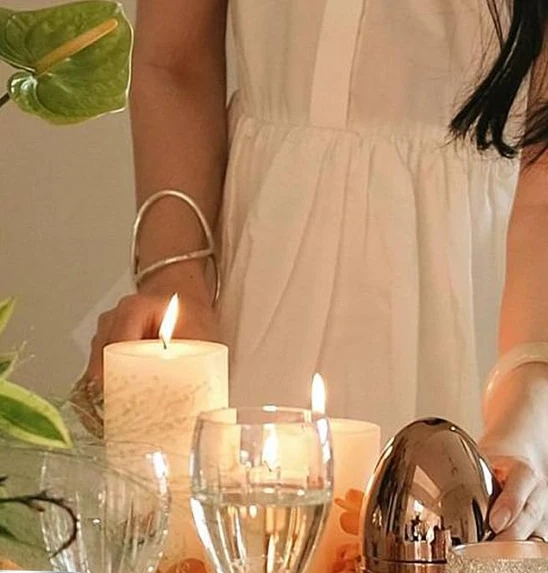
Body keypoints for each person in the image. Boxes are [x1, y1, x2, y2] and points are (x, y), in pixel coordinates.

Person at [78, 0, 548, 540]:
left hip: (492, 297)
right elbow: (173, 61)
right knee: (221, 563)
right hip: (257, 274)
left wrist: (530, 388)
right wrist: (175, 277)